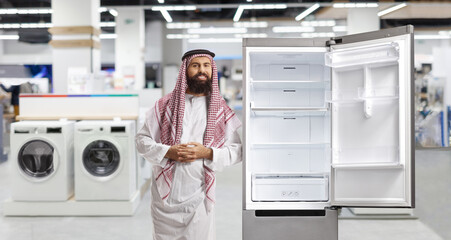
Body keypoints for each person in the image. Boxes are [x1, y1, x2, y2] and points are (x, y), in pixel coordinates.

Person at [135, 49, 242, 240]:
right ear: (185, 70)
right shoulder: (163, 105)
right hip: (164, 197)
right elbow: (141, 142)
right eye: (195, 66)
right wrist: (168, 151)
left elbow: (237, 151)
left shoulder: (220, 110)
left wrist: (208, 153)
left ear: (212, 70)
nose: (201, 70)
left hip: (199, 196)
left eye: (206, 65)